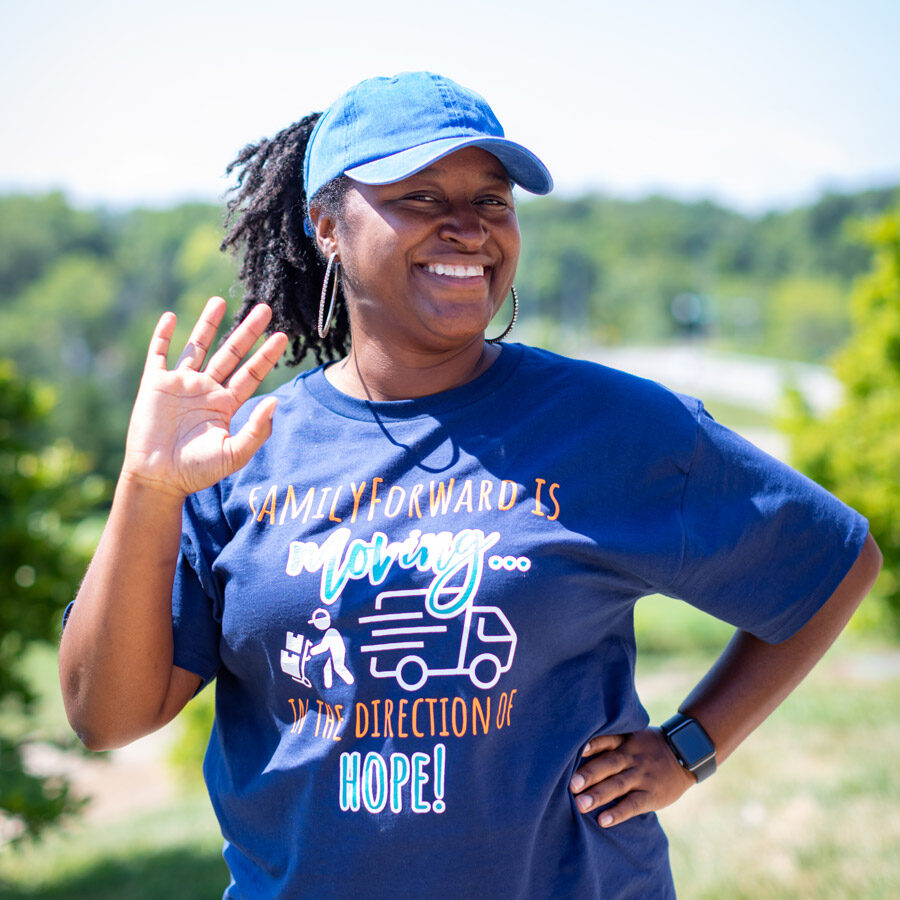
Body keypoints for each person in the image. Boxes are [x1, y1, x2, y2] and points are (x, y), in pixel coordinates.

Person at [59, 72, 882, 899]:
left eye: (493, 201)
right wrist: (148, 487)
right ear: (326, 226)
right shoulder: (240, 453)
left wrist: (692, 747)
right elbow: (105, 715)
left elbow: (831, 563)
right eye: (419, 196)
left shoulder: (612, 426)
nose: (468, 228)